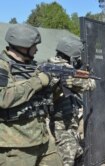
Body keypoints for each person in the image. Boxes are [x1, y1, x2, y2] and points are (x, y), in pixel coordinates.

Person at [0, 24, 62, 165]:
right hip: (16, 146)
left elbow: (46, 99)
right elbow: (2, 97)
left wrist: (58, 86)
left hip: (43, 139)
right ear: (23, 46)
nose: (37, 49)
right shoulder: (2, 66)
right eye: (34, 45)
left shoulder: (35, 66)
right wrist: (38, 81)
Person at [48, 36, 96, 166]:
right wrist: (82, 70)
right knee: (67, 157)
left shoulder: (47, 64)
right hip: (61, 123)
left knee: (78, 151)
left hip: (58, 120)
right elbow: (91, 84)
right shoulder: (65, 70)